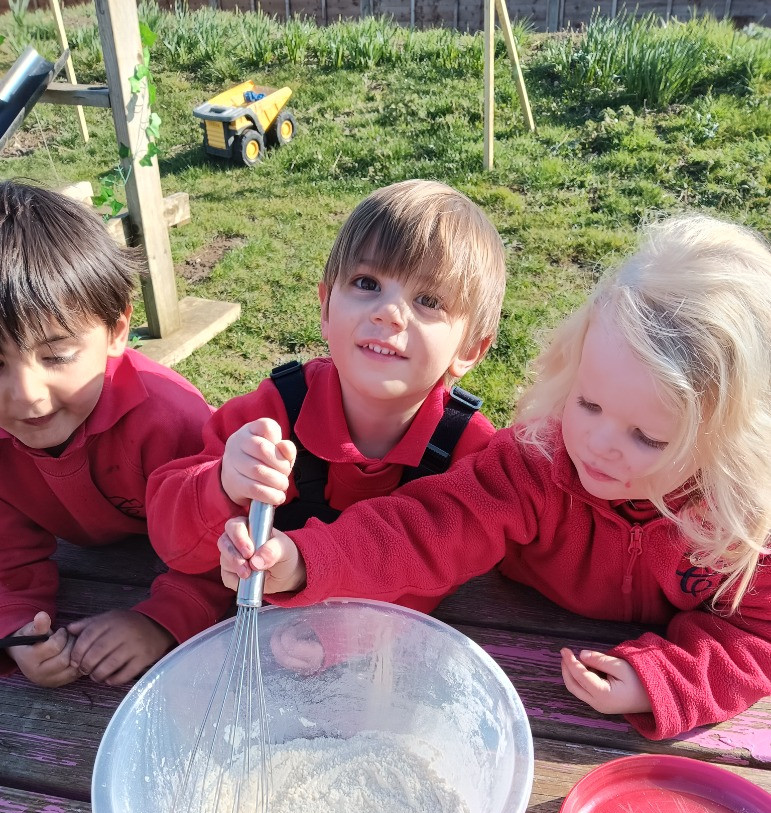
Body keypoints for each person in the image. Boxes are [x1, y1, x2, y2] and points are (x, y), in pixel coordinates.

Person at [218, 212, 771, 741]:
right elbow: (422, 530)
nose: (598, 446)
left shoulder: (743, 521)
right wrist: (303, 561)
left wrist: (664, 679)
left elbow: (757, 635)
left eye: (648, 437)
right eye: (588, 403)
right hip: (497, 648)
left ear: (728, 443)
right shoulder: (536, 463)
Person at [147, 179, 506, 613]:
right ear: (325, 306)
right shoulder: (274, 414)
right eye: (367, 282)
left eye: (428, 299)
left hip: (391, 656)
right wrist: (222, 484)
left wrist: (318, 601)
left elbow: (437, 557)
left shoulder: (471, 454)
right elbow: (170, 539)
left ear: (469, 349)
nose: (388, 312)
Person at [0, 180, 231, 688]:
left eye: (56, 356)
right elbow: (6, 552)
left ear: (117, 329)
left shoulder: (174, 422)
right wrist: (19, 630)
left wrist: (163, 620)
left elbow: (229, 540)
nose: (26, 397)